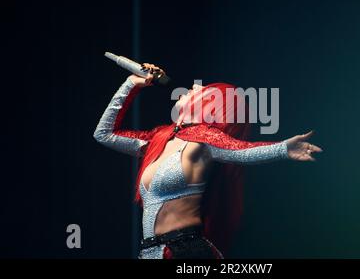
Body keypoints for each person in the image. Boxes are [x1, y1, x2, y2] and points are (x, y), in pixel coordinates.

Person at [93, 63, 322, 259]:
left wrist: (283, 148)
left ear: (212, 106)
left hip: (187, 252)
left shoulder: (204, 141)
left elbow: (242, 151)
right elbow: (103, 134)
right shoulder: (158, 140)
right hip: (150, 252)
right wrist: (132, 83)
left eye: (203, 90)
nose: (193, 87)